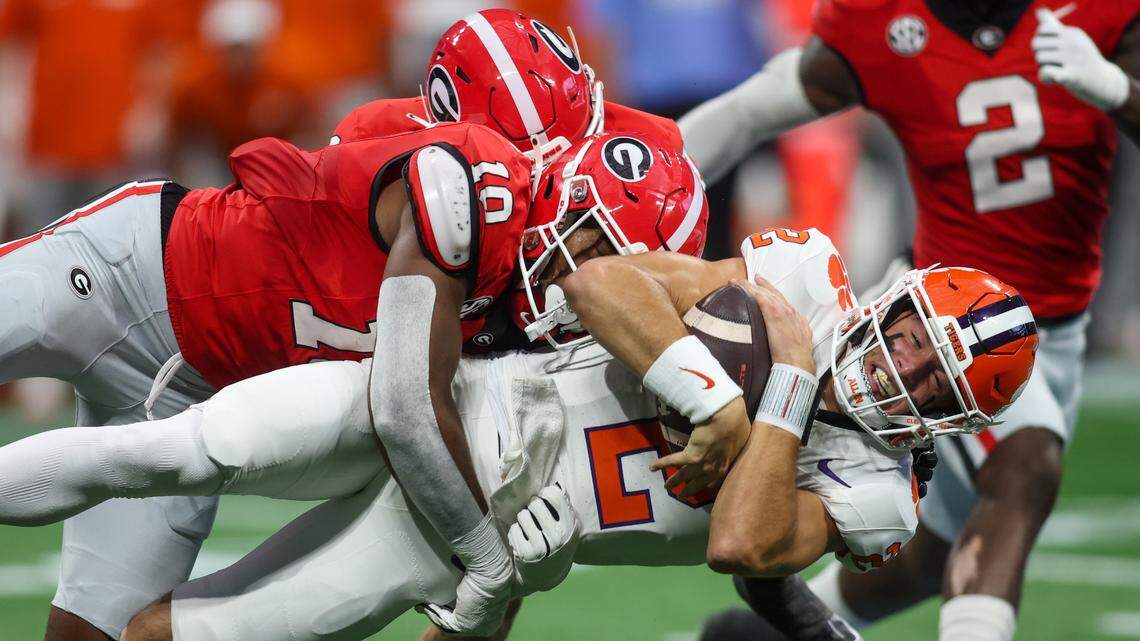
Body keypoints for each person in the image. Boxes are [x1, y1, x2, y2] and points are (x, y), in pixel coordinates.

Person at [0, 9, 702, 639]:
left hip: (195, 381)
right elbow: (405, 405)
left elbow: (482, 476)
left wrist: (509, 568)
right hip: (129, 272)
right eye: (546, 148)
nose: (553, 166)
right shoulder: (464, 181)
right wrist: (490, 555)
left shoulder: (516, 278)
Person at [677, 2, 1140, 640]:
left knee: (932, 558)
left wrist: (1119, 91)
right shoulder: (881, 20)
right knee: (1023, 473)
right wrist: (639, 199)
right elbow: (748, 111)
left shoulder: (1102, 15)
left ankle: (769, 632)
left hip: (1055, 332)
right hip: (930, 318)